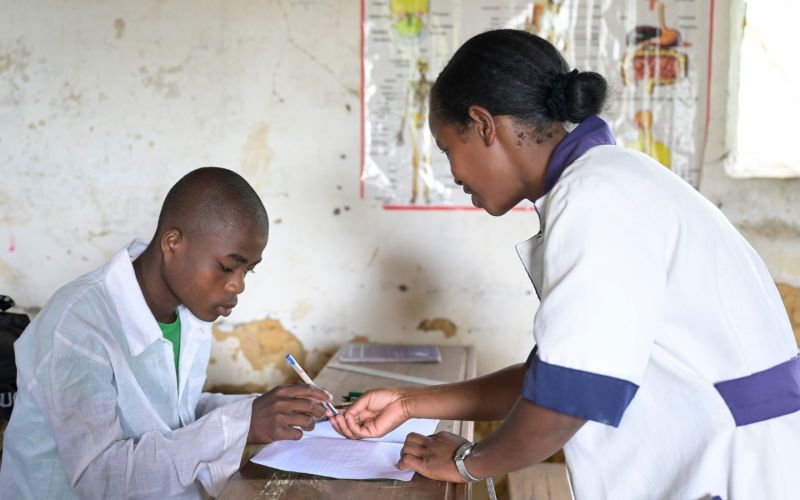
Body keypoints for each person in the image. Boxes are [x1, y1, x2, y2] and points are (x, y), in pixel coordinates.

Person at [330, 29, 800, 499]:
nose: (453, 174)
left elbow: (565, 401)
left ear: (483, 124)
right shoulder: (611, 181)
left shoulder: (597, 197)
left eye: (447, 148)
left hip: (734, 472)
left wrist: (467, 463)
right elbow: (550, 377)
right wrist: (408, 402)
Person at [0, 167, 334, 499]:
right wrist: (241, 425)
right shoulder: (75, 325)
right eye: (227, 267)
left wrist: (269, 409)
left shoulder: (187, 314)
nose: (238, 285)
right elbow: (101, 480)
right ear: (173, 243)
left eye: (248, 270)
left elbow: (175, 415)